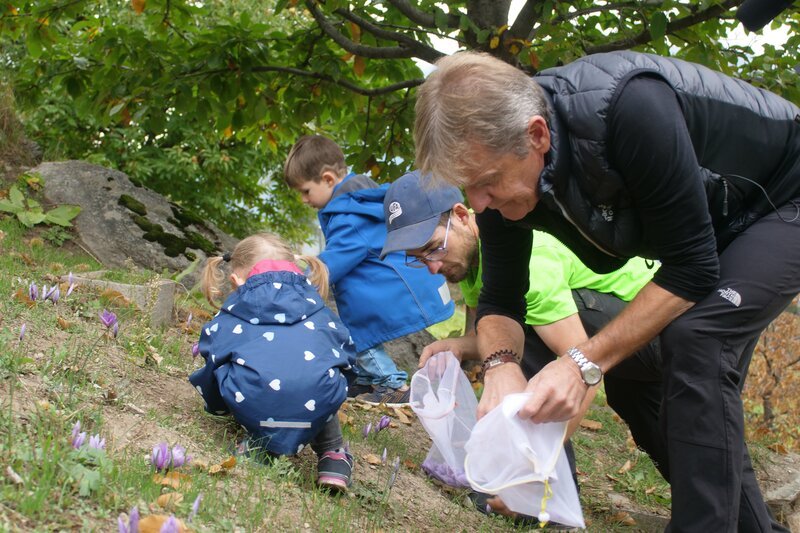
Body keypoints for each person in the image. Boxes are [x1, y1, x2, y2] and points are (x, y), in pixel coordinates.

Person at [414, 50, 800, 531]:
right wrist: (499, 367)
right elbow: (501, 301)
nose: (478, 204)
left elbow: (692, 269)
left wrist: (582, 364)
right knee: (642, 374)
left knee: (698, 336)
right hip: (712, 219)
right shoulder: (502, 177)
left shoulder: (629, 110)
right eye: (468, 187)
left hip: (784, 193)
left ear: (537, 135)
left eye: (488, 184)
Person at [381, 171, 666, 515]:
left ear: (460, 215)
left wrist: (531, 469)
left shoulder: (527, 261)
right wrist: (460, 346)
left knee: (521, 335)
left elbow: (581, 368)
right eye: (418, 257)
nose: (431, 267)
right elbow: (491, 334)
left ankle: (541, 491)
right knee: (669, 437)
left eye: (433, 248)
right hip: (623, 340)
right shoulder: (474, 259)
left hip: (661, 332)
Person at [283, 135, 455, 407]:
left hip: (384, 291)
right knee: (356, 327)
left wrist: (297, 282)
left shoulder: (348, 216)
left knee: (357, 333)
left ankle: (393, 385)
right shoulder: (360, 200)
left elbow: (334, 261)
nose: (304, 200)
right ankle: (365, 377)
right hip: (388, 285)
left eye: (305, 191)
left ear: (328, 179)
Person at [189, 232, 356, 491]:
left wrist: (217, 405)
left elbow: (211, 355)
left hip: (257, 402)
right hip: (318, 403)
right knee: (321, 376)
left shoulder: (231, 317)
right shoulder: (321, 312)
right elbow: (347, 355)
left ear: (235, 281)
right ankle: (333, 456)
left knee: (243, 372)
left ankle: (259, 444)